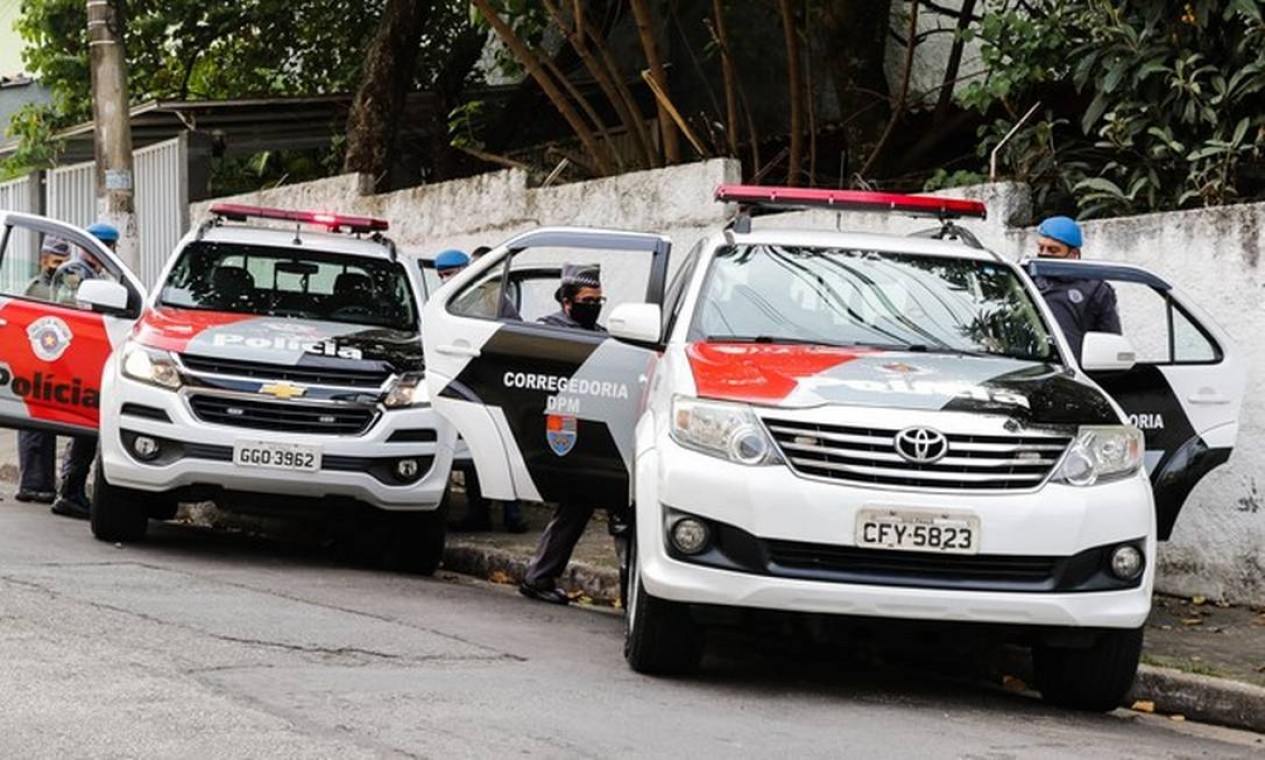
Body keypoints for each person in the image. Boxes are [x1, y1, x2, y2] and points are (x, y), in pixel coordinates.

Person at [519, 264, 608, 605]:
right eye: (588, 299)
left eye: (599, 299)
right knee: (576, 505)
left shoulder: (601, 333)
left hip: (597, 433)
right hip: (563, 429)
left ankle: (539, 577)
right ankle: (538, 577)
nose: (595, 305)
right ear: (567, 301)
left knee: (588, 508)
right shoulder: (549, 331)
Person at [48, 223, 118, 519]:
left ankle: (72, 489)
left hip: (86, 356)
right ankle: (70, 491)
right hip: (75, 357)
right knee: (85, 424)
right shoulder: (75, 272)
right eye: (109, 248)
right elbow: (77, 314)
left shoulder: (90, 273)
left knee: (86, 426)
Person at [15, 237, 73, 504]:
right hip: (34, 366)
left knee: (46, 428)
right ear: (44, 259)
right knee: (32, 427)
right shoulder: (36, 288)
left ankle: (44, 484)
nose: (60, 266)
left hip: (53, 366)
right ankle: (30, 484)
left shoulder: (64, 287)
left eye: (64, 261)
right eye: (56, 261)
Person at [1032, 216, 1121, 363]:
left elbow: (1110, 341)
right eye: (1041, 248)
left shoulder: (1096, 289)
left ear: (1073, 254)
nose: (1045, 254)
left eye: (1053, 250)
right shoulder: (1026, 279)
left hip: (1071, 373)